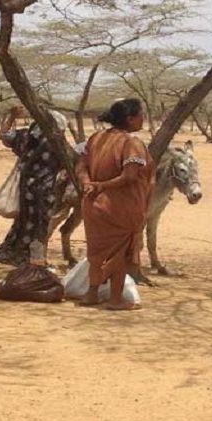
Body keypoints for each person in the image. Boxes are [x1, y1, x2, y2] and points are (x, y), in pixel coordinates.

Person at [76, 98, 154, 310]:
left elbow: (81, 166)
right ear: (130, 119)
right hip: (120, 206)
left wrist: (88, 184)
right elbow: (130, 177)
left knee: (97, 251)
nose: (143, 119)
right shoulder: (132, 143)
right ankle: (116, 298)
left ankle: (91, 293)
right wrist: (101, 185)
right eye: (140, 114)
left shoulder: (95, 138)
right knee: (120, 252)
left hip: (93, 204)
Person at [0, 105, 68, 266]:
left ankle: (16, 252)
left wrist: (12, 115)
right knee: (41, 223)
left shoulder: (28, 137)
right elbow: (69, 162)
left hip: (26, 187)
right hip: (46, 189)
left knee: (25, 220)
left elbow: (4, 134)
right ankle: (36, 259)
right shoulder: (57, 144)